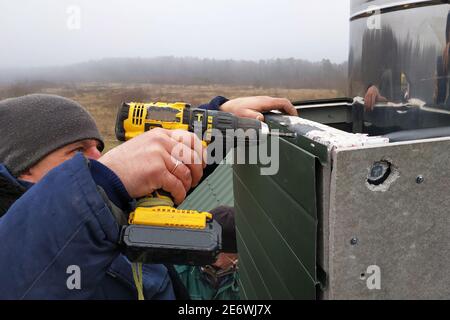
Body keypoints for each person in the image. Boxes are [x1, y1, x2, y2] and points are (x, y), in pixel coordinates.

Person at [0, 93, 296, 299]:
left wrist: (218, 123)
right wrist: (101, 183)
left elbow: (170, 176)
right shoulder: (17, 247)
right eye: (77, 152)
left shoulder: (104, 211)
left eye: (97, 147)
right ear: (23, 168)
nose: (98, 157)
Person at [175, 206, 239, 300]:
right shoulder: (180, 272)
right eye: (233, 257)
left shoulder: (243, 276)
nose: (235, 260)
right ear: (217, 254)